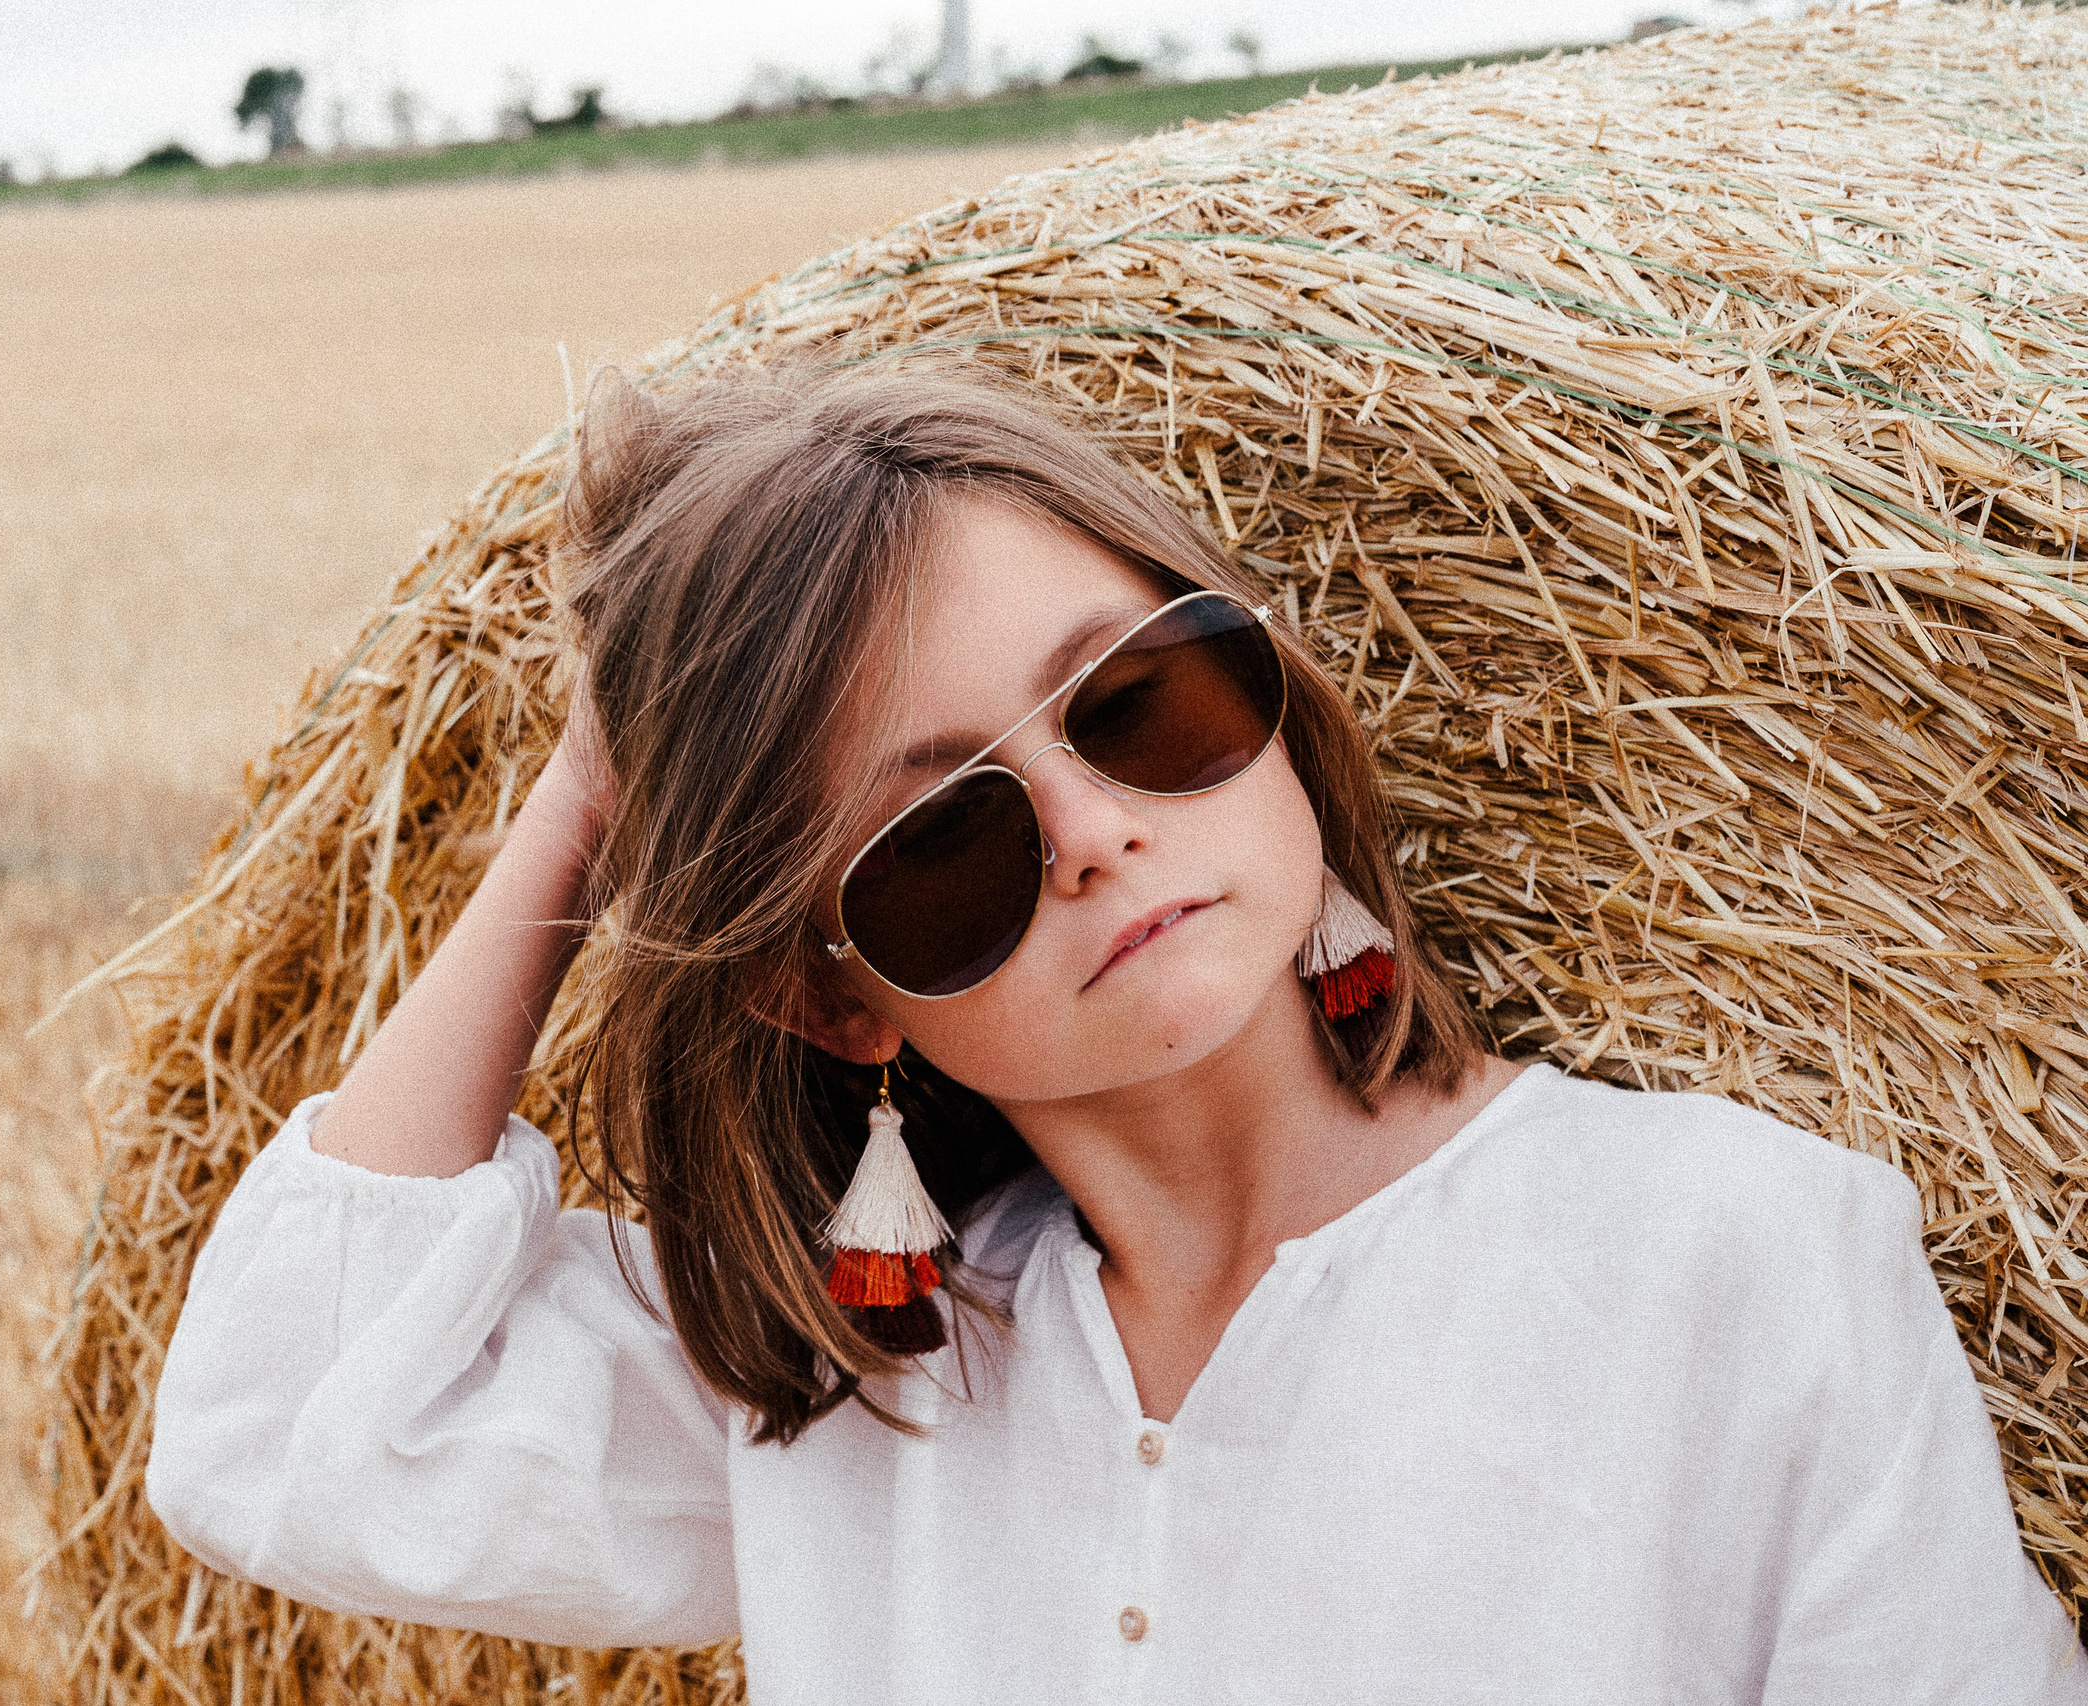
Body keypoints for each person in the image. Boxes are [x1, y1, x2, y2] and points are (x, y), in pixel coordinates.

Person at [148, 364, 2081, 1702]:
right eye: (942, 844)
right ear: (825, 985)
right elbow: (279, 1427)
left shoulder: (1737, 1253)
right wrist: (592, 783)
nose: (1090, 833)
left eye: (1139, 704)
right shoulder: (855, 1376)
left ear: (1267, 683)